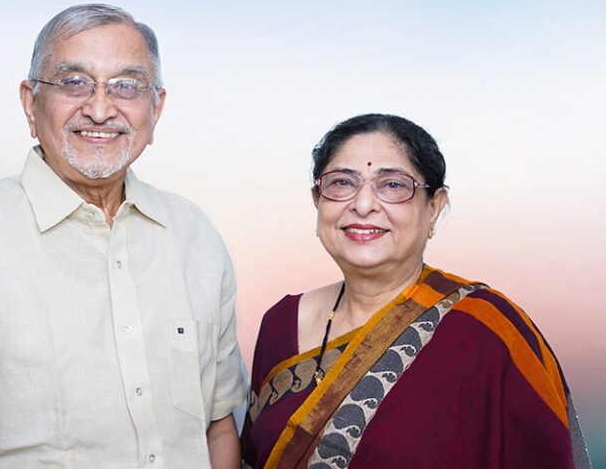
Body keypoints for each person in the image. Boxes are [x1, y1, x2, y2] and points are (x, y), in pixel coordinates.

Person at [0, 3, 246, 468]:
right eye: (74, 82)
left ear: (155, 108)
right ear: (30, 103)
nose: (100, 109)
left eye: (126, 85)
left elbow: (217, 427)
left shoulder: (196, 238)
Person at [240, 114, 591, 468]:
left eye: (392, 185)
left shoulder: (487, 332)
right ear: (317, 200)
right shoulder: (281, 324)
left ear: (434, 207)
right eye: (342, 183)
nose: (363, 204)